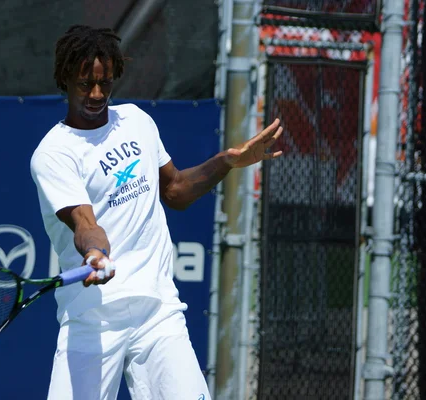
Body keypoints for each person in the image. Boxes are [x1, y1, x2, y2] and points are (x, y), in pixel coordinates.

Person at [30, 25, 283, 400]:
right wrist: (95, 253)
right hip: (93, 319)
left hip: (157, 310)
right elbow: (84, 222)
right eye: (85, 84)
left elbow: (175, 190)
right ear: (64, 79)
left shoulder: (136, 121)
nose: (96, 94)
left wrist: (226, 162)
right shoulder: (53, 153)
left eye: (105, 83)